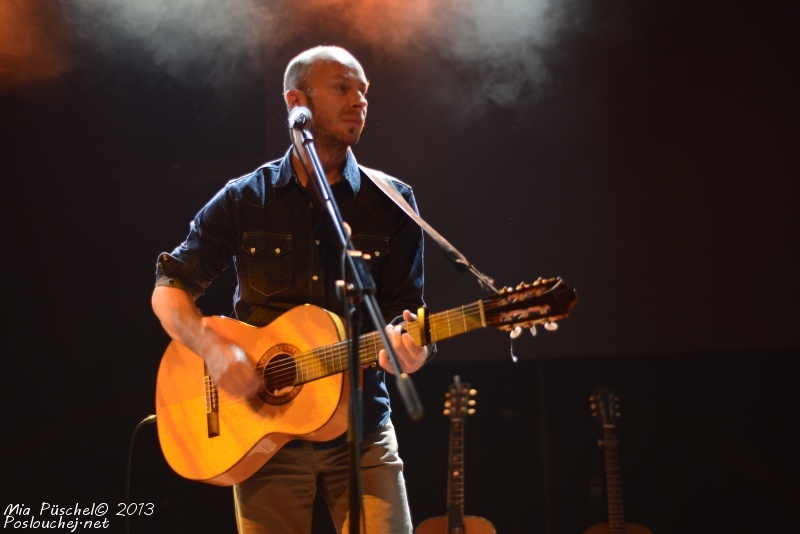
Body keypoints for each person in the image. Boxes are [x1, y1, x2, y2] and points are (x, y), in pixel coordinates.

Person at [151, 45, 431, 533]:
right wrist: (213, 350)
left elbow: (407, 312)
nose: (359, 101)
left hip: (363, 433)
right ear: (296, 101)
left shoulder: (392, 201)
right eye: (343, 88)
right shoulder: (245, 199)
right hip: (263, 438)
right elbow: (169, 290)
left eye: (364, 92)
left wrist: (409, 349)